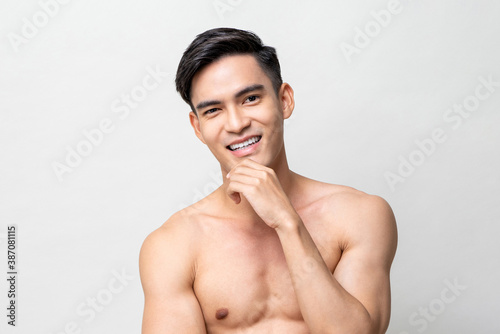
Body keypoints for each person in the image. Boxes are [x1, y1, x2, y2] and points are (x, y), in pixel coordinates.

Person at [139, 27, 397, 334]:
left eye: (250, 98)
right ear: (198, 127)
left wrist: (287, 223)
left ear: (284, 100)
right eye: (213, 110)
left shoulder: (359, 215)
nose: (237, 123)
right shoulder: (173, 245)